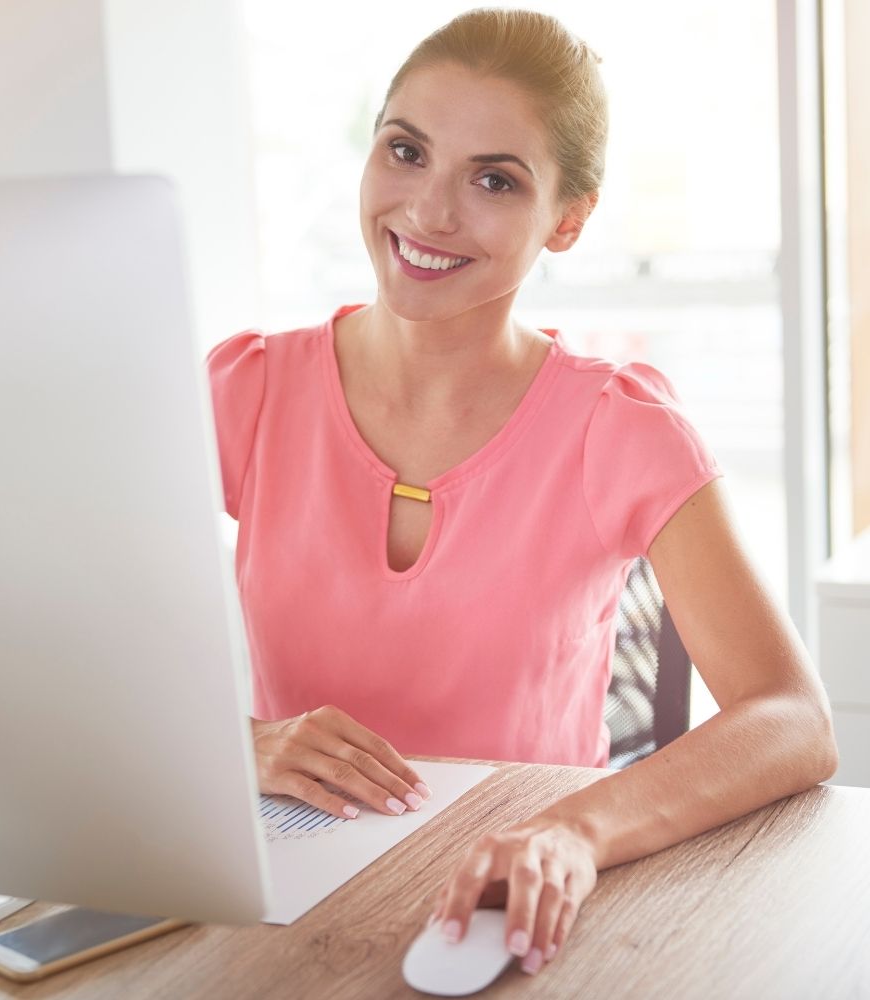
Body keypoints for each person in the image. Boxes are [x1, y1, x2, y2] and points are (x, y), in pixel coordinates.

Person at [208, 8, 837, 978]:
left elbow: (791, 717)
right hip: (290, 906)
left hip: (514, 910)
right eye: (405, 151)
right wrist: (230, 744)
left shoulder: (617, 426)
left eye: (494, 179)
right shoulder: (242, 392)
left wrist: (574, 831)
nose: (428, 212)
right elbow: (57, 632)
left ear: (569, 219)